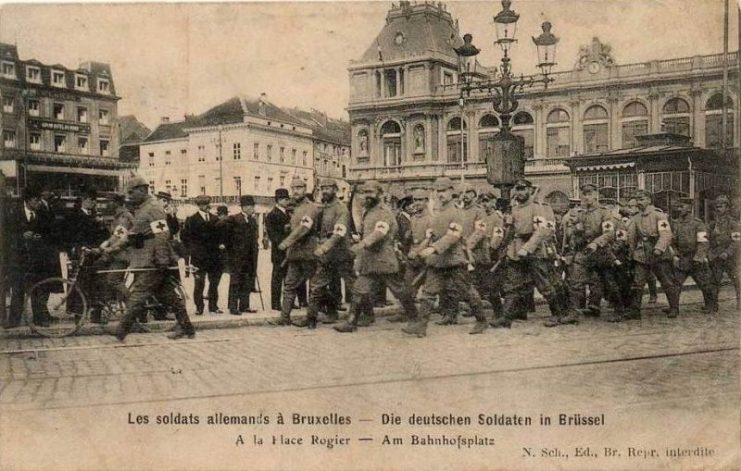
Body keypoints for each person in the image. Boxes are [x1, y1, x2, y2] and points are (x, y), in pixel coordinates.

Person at [403, 177, 489, 336]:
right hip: (437, 262)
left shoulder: (456, 212)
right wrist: (420, 249)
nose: (440, 194)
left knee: (467, 291)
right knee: (428, 294)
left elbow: (453, 236)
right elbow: (430, 235)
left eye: (443, 191)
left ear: (451, 191)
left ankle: (482, 320)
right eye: (437, 191)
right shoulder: (436, 212)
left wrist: (433, 249)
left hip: (454, 260)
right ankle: (421, 326)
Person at [114, 176, 194, 341]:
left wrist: (162, 259)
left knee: (138, 295)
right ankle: (187, 328)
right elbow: (133, 235)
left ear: (143, 190)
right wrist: (112, 248)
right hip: (150, 260)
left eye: (132, 192)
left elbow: (162, 234)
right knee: (168, 296)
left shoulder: (153, 208)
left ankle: (121, 331)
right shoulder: (142, 209)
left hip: (154, 261)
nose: (129, 195)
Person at [334, 180, 419, 333]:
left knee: (399, 291)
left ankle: (415, 320)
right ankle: (351, 323)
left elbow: (380, 232)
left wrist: (362, 245)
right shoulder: (368, 211)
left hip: (384, 260)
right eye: (365, 192)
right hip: (369, 261)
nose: (367, 196)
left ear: (379, 194)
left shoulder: (383, 212)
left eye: (370, 192)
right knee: (359, 290)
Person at [491, 179, 569, 329]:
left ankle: (557, 314)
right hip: (516, 250)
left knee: (544, 284)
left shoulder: (537, 208)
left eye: (522, 189)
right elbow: (511, 231)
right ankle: (506, 317)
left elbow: (541, 231)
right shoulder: (515, 209)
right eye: (517, 189)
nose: (519, 192)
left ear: (529, 190)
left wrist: (528, 248)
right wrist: (505, 248)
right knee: (512, 285)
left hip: (535, 251)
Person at [560, 183, 623, 324]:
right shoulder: (577, 213)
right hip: (583, 252)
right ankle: (573, 313)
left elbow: (609, 233)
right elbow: (569, 234)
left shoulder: (605, 212)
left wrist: (596, 243)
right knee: (576, 283)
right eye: (584, 194)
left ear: (596, 195)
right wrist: (575, 229)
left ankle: (619, 310)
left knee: (609, 283)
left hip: (601, 252)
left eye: (590, 194)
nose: (587, 197)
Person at [298, 177, 354, 327]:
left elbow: (339, 233)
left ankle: (367, 314)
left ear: (335, 190)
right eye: (322, 188)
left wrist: (324, 247)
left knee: (353, 286)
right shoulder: (322, 207)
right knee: (317, 286)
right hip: (327, 256)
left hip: (341, 254)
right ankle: (311, 318)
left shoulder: (341, 209)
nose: (325, 191)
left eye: (328, 188)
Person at [5, 186, 59, 328]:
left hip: (35, 259)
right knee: (18, 290)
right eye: (36, 201)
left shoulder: (40, 213)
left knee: (37, 288)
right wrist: (21, 236)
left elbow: (46, 233)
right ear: (28, 201)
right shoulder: (14, 213)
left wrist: (38, 237)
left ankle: (39, 319)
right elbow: (7, 234)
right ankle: (14, 321)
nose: (38, 203)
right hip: (18, 259)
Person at [272, 176, 322, 326]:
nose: (295, 191)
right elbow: (296, 226)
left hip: (308, 252)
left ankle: (312, 318)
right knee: (289, 284)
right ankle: (284, 317)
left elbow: (304, 228)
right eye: (293, 188)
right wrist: (288, 227)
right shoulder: (295, 208)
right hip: (295, 253)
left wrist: (286, 242)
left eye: (299, 188)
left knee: (314, 286)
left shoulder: (311, 207)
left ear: (305, 190)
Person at [625, 190, 680, 319]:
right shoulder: (636, 217)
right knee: (638, 282)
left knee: (666, 281)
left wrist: (659, 248)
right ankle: (635, 311)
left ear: (649, 200)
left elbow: (666, 234)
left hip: (658, 253)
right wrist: (631, 253)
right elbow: (632, 237)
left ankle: (674, 308)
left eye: (642, 199)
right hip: (642, 254)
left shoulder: (659, 215)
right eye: (638, 199)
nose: (639, 202)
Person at [669, 197, 718, 313]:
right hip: (682, 259)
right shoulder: (676, 224)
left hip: (695, 259)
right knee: (675, 284)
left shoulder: (698, 224)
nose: (680, 209)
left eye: (683, 206)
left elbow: (703, 242)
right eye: (679, 206)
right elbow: (673, 241)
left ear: (689, 208)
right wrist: (675, 254)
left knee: (705, 284)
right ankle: (674, 308)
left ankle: (711, 306)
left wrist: (698, 258)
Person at [181, 195, 224, 315]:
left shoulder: (215, 219)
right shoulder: (191, 220)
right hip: (199, 257)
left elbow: (220, 235)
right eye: (203, 205)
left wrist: (221, 244)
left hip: (214, 257)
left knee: (214, 282)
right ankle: (199, 307)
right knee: (199, 283)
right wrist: (192, 249)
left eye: (206, 204)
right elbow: (185, 237)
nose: (205, 207)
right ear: (199, 206)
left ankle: (213, 306)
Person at [221, 195, 259, 315]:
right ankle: (233, 307)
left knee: (247, 281)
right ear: (245, 207)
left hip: (250, 256)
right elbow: (225, 233)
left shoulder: (253, 220)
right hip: (237, 256)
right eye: (251, 206)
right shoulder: (234, 219)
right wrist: (229, 248)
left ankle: (244, 305)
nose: (253, 208)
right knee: (235, 281)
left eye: (253, 206)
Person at [708, 194, 740, 308]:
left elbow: (736, 241)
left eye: (721, 206)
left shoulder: (733, 223)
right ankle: (713, 304)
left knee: (737, 279)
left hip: (730, 257)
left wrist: (727, 252)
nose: (718, 209)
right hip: (716, 256)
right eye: (717, 207)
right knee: (714, 281)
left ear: (727, 208)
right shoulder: (712, 223)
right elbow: (707, 239)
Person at [265, 188, 292, 311]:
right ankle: (275, 303)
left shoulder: (287, 213)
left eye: (287, 199)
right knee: (277, 278)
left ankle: (287, 302)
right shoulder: (272, 215)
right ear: (279, 200)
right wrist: (284, 242)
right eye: (285, 199)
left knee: (289, 278)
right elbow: (273, 235)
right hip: (279, 252)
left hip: (289, 251)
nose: (287, 201)